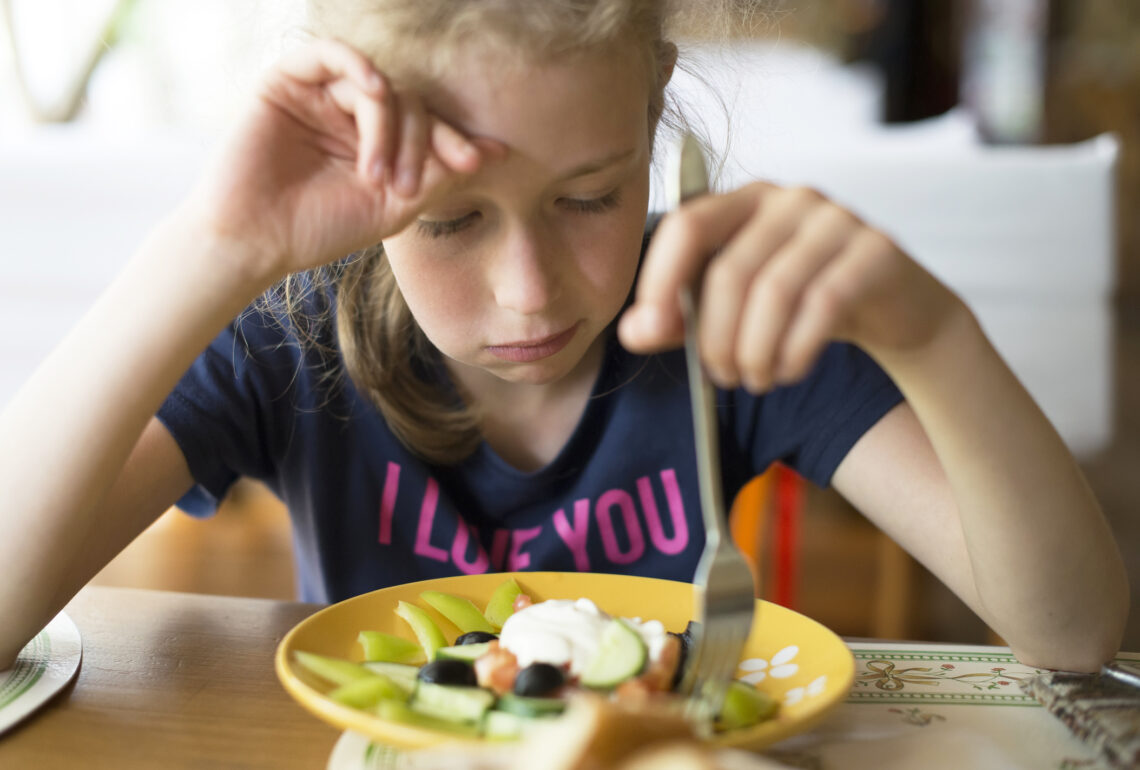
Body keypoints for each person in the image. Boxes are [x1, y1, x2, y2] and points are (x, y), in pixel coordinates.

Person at [0, 0, 1127, 674]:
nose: (529, 294)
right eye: (448, 221)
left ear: (653, 111)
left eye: (590, 198)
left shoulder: (718, 307)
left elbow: (1071, 630)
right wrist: (213, 245)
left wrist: (934, 333)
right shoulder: (290, 333)